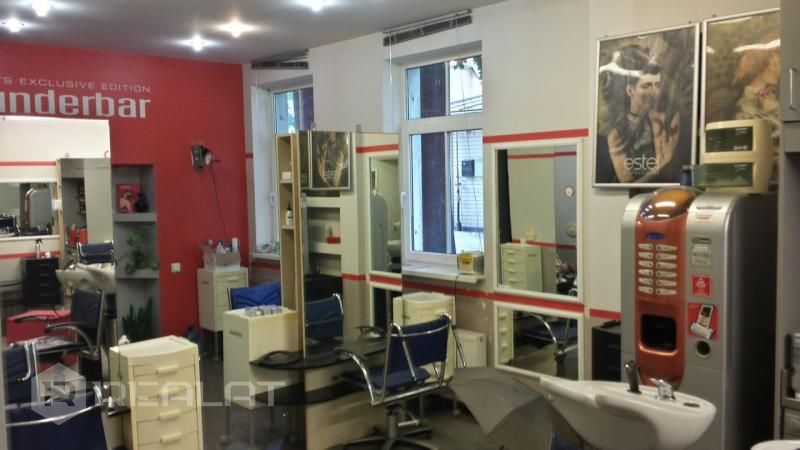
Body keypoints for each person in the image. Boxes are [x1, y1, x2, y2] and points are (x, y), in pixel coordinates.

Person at [598, 44, 681, 183]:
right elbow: (627, 184)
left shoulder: (665, 119)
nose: (654, 92)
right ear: (630, 90)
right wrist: (662, 162)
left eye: (657, 85)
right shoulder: (617, 134)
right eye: (646, 85)